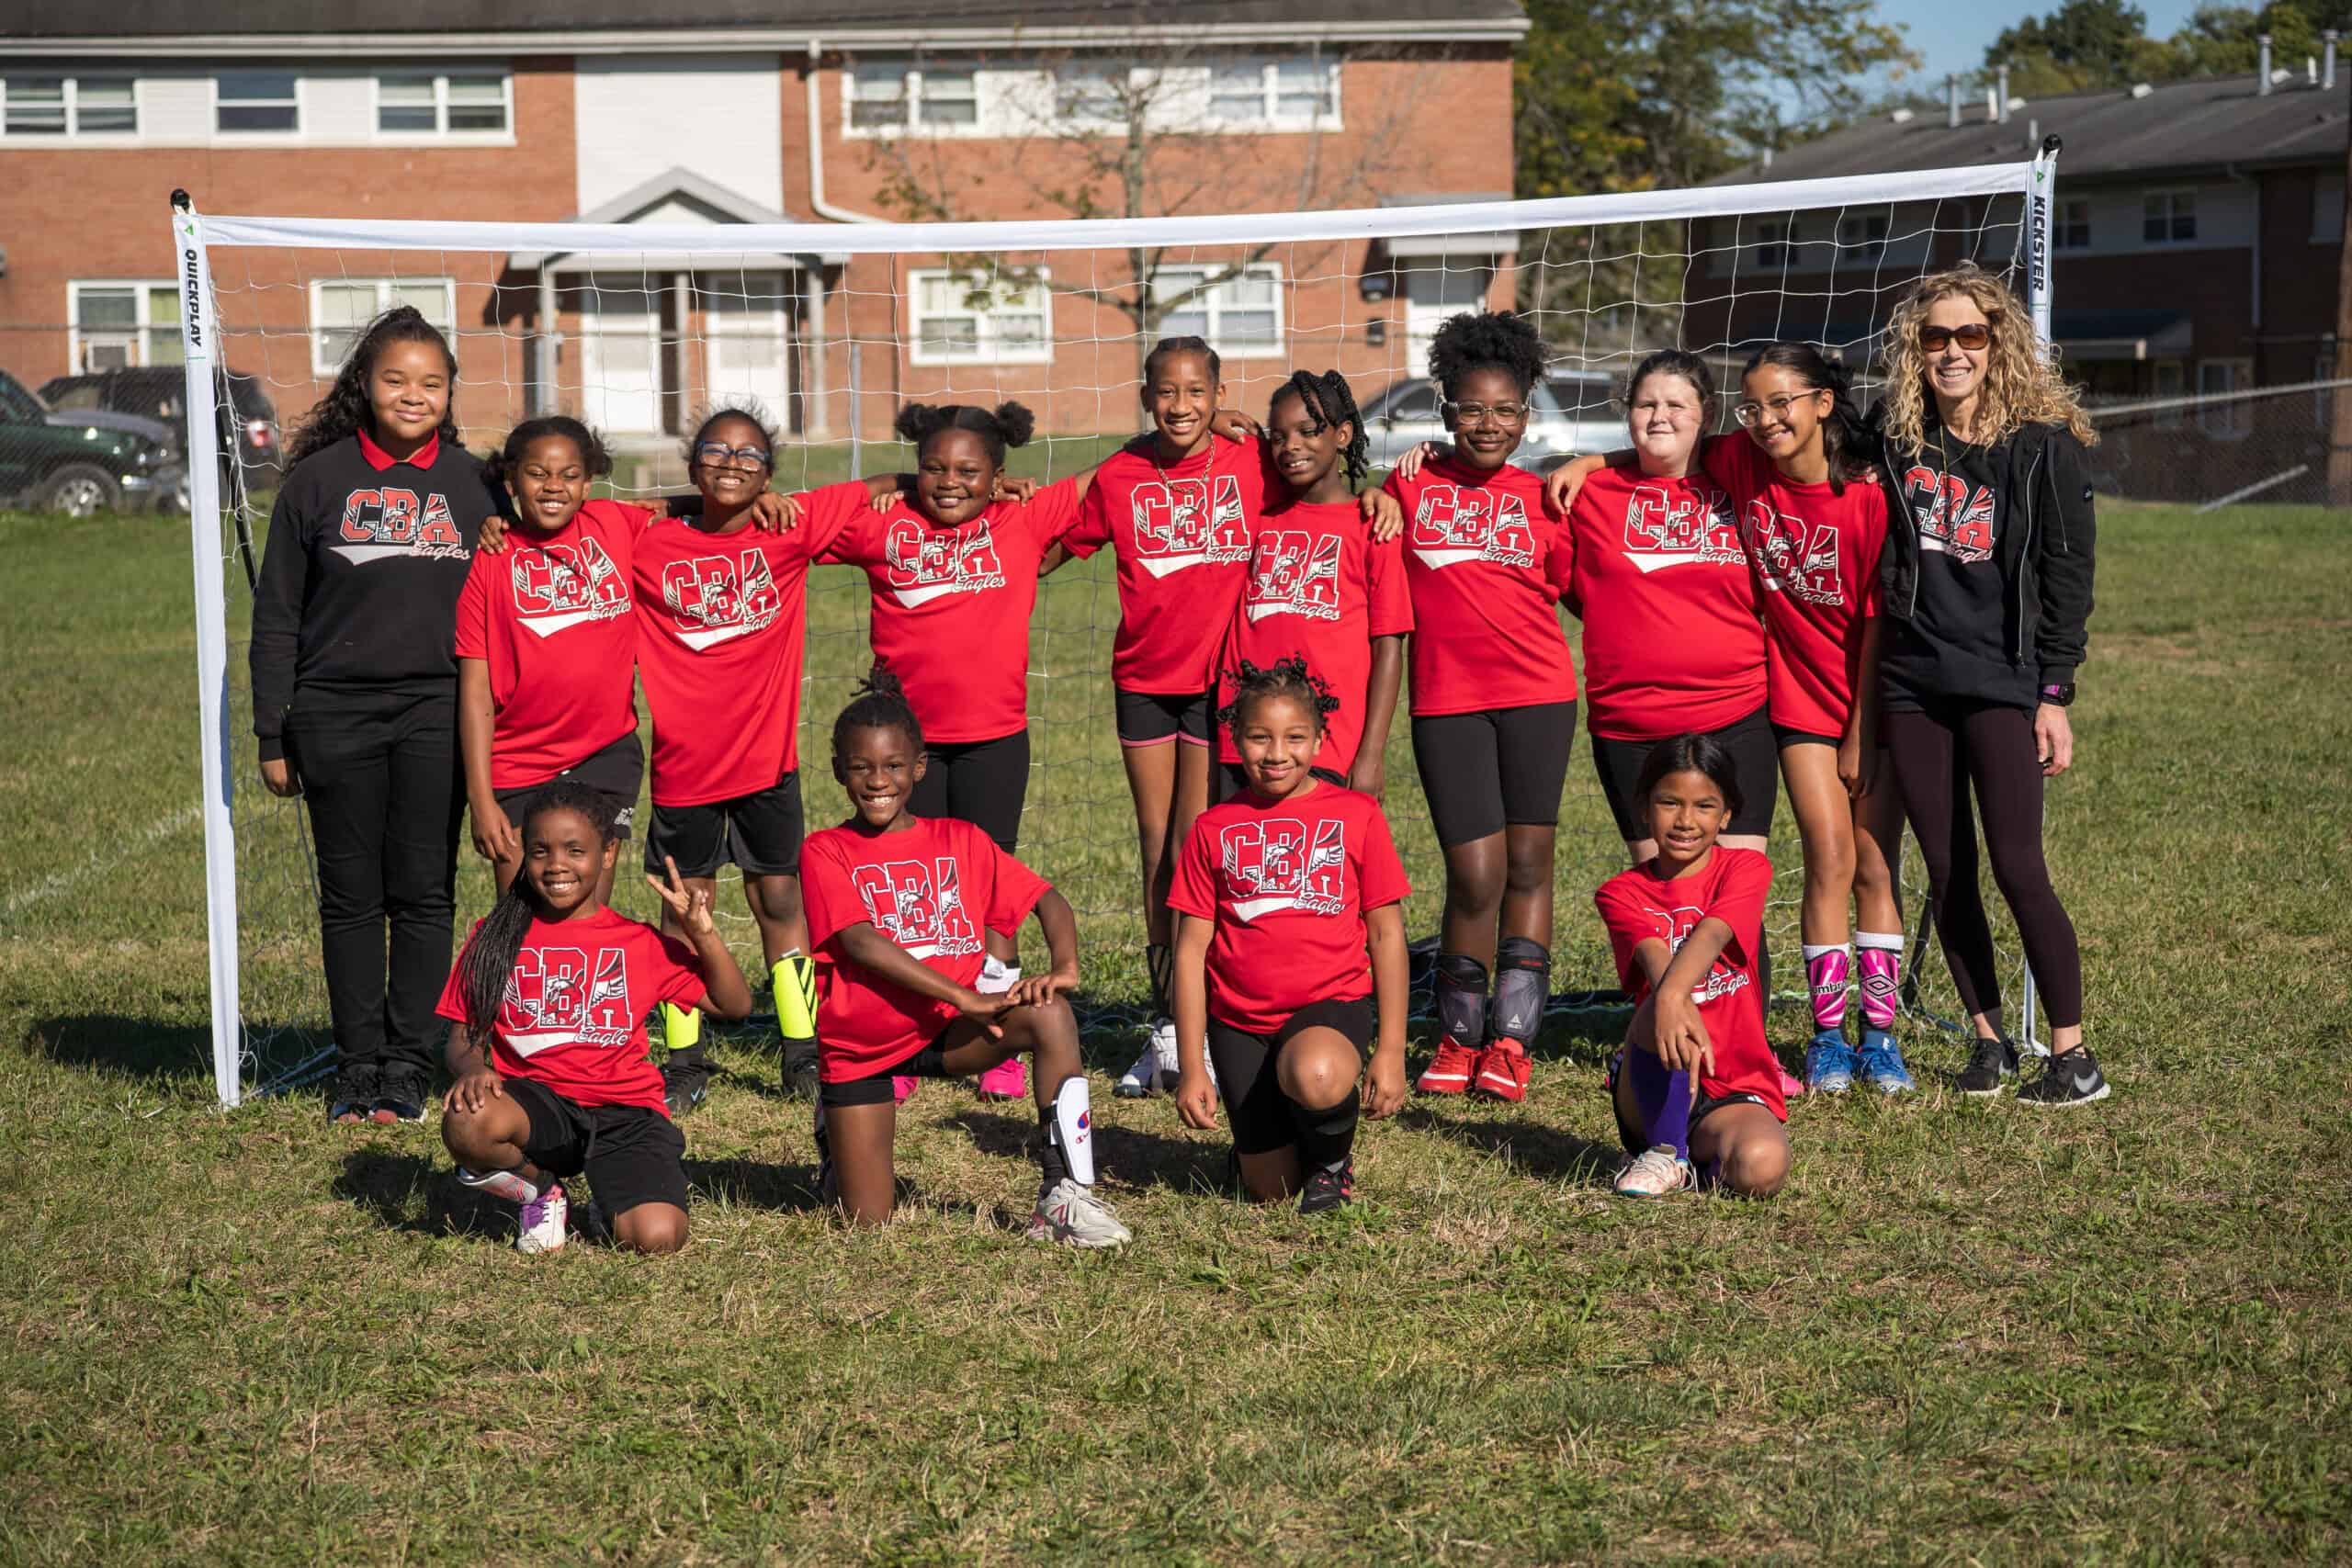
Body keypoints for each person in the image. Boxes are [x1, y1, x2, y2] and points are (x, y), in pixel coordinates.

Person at [1554, 344, 1911, 1097]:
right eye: (1645, 404)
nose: (1660, 417)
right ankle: (1670, 1045)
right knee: (1679, 889)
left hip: (1759, 709)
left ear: (1707, 416)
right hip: (1662, 719)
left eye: (1676, 405)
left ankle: (1780, 1044)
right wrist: (1588, 461)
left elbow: (1878, 610)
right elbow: (1580, 572)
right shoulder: (1622, 487)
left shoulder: (1756, 469)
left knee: (1762, 884)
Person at [249, 304, 492, 1126]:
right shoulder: (316, 482)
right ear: (363, 383)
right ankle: (357, 1066)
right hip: (333, 713)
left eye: (432, 382)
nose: (413, 395)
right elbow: (276, 615)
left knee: (423, 892)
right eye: (396, 379)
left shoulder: (475, 484)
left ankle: (407, 1063)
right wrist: (273, 729)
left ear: (450, 391)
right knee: (350, 897)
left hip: (437, 711)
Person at [1872, 265, 2107, 1106]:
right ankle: (1989, 1039)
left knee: (2017, 865)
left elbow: (2068, 578)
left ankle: (2073, 1057)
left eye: (1970, 334)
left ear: (1996, 341)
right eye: (1936, 336)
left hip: (2004, 680)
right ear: (1916, 348)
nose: (1953, 351)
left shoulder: (2041, 448)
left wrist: (2055, 694)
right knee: (1946, 866)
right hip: (1912, 681)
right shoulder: (1896, 439)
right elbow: (1793, 434)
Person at [812, 400, 1086, 1102]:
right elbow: (809, 513)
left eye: (969, 471)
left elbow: (1109, 482)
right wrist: (893, 483)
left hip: (995, 737)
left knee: (990, 888)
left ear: (998, 475)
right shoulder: (886, 522)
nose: (950, 482)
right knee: (909, 886)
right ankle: (902, 1034)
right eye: (933, 468)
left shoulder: (1021, 519)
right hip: (906, 752)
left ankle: (996, 1032)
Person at [797, 672, 1130, 1246]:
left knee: (1050, 1015)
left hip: (950, 1031)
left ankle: (1066, 1196)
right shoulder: (825, 850)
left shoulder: (962, 840)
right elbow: (859, 942)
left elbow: (1048, 899)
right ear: (837, 772)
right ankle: (837, 1139)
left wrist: (1065, 966)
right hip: (864, 1047)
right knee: (866, 1222)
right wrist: (963, 995)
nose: (878, 781)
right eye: (861, 768)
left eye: (893, 766)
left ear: (919, 768)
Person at [1381, 310, 1580, 1104]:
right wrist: (1384, 491)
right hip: (1448, 703)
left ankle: (1510, 1039)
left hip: (1540, 697)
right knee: (1474, 873)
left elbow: (1582, 590)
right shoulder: (1409, 485)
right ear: (1445, 412)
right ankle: (1458, 1034)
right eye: (1472, 409)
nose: (1488, 424)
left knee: (1528, 866)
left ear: (1526, 415)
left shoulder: (1547, 497)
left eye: (1505, 410)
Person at [626, 405, 842, 1113]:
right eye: (716, 450)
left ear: (770, 474)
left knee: (780, 900)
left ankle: (801, 1048)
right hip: (684, 771)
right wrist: (677, 503)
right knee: (686, 909)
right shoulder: (650, 540)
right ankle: (685, 1059)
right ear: (692, 464)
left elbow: (873, 489)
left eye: (750, 456)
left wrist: (905, 477)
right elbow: (583, 513)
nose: (731, 463)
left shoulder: (789, 530)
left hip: (768, 766)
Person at [435, 780, 752, 1255]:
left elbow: (734, 1005)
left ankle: (613, 1200)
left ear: (607, 854)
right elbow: (462, 1037)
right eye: (540, 851)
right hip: (538, 1110)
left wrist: (703, 935)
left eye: (575, 850)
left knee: (657, 1238)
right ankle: (540, 1191)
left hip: (625, 1112)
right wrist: (472, 1068)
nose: (556, 865)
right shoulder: (496, 936)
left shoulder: (638, 943)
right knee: (468, 1120)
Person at [1168, 658, 1412, 1212]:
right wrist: (1192, 1066)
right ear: (1235, 740)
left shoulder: (1357, 814)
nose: (1277, 753)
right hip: (1240, 1021)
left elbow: (1386, 936)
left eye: (1295, 738)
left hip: (1329, 1007)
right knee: (1270, 1191)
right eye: (1260, 737)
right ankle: (1277, 1134)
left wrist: (1392, 1050)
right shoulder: (1212, 827)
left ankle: (1331, 1162)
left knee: (1316, 1074)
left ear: (1321, 741)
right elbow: (1191, 951)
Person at [456, 417, 644, 911]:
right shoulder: (491, 557)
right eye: (538, 474)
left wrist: (756, 500)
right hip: (519, 762)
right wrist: (481, 798)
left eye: (569, 475)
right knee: (520, 920)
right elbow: (475, 688)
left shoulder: (613, 524)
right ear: (511, 481)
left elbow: (685, 510)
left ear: (588, 482)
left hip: (605, 753)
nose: (554, 486)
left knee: (587, 913)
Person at [1597, 734, 1789, 1200]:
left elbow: (1714, 933)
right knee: (1664, 1003)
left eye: (1704, 806)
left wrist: (1671, 993)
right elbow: (1655, 958)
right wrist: (1669, 997)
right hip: (1656, 1074)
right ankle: (1664, 1148)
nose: (1685, 821)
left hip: (1732, 1083)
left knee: (1762, 1167)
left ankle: (1690, 1167)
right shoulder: (1619, 893)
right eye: (1669, 803)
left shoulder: (1746, 869)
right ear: (1644, 809)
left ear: (1726, 815)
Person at [1210, 371, 1411, 807]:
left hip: (1329, 742)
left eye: (1308, 431)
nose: (1291, 446)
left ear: (1343, 435)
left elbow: (1388, 647)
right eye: (1278, 437)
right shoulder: (1257, 519)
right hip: (1243, 734)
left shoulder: (1373, 526)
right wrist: (1211, 418)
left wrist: (1371, 752)